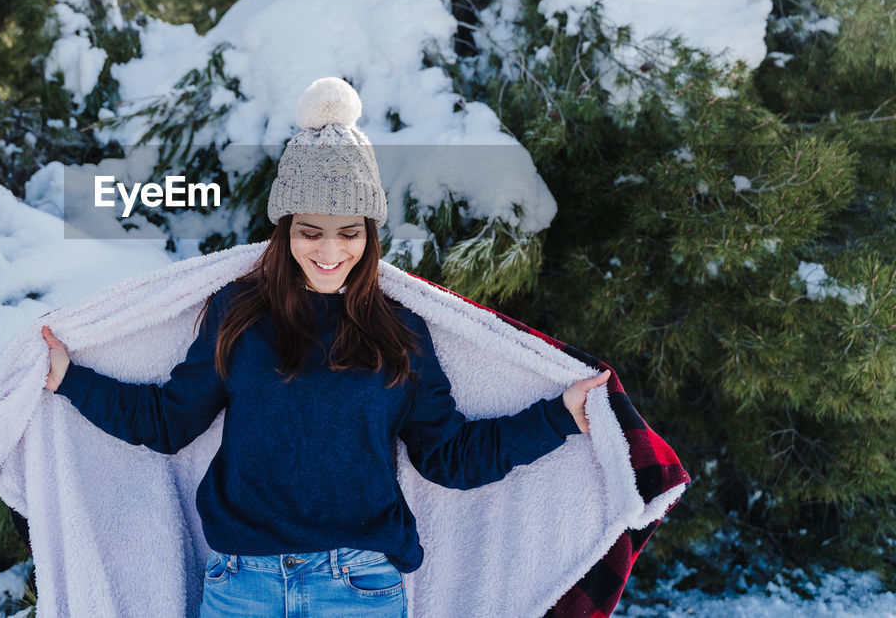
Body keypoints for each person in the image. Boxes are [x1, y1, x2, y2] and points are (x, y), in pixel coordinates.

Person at [39, 77, 611, 618]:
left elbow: (450, 456)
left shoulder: (401, 331)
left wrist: (560, 418)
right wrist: (70, 377)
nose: (331, 250)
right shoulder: (237, 315)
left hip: (360, 589)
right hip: (243, 588)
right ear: (285, 230)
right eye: (311, 231)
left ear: (371, 233)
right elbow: (168, 423)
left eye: (350, 231)